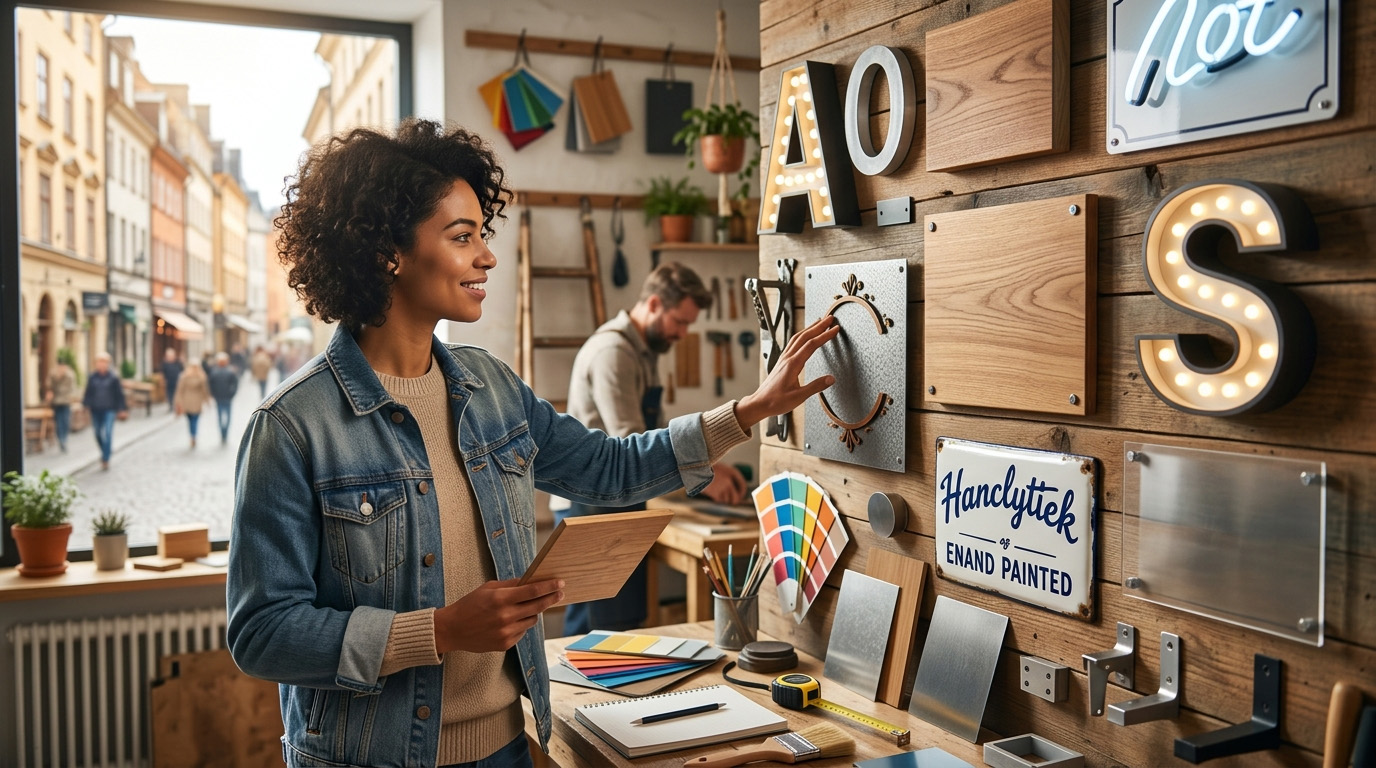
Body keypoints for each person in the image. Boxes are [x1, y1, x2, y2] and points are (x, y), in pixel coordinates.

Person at [226, 119, 838, 768]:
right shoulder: (292, 426)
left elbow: (607, 466)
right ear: (389, 253)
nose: (485, 256)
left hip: (508, 747)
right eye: (462, 238)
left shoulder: (491, 388)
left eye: (480, 236)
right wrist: (438, 632)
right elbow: (263, 634)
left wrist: (748, 410)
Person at [555, 262, 748, 637]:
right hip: (595, 505)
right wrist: (700, 474)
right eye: (680, 322)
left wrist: (708, 460)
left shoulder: (643, 351)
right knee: (594, 632)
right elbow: (629, 446)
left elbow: (652, 433)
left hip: (619, 501)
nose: (683, 333)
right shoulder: (614, 352)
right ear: (655, 304)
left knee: (623, 625)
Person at [82, 352, 127, 470]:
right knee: (97, 433)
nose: (101, 364)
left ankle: (105, 458)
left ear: (108, 364)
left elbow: (119, 395)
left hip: (109, 409)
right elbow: (88, 393)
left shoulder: (113, 378)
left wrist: (122, 409)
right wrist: (85, 405)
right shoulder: (92, 377)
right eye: (99, 362)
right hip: (96, 409)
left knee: (107, 433)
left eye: (104, 362)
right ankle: (105, 450)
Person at [43, 352, 77, 452]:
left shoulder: (70, 375)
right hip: (56, 402)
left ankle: (64, 439)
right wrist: (56, 378)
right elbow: (49, 385)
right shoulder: (53, 374)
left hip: (66, 401)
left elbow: (72, 388)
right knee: (58, 422)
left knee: (65, 421)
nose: (61, 368)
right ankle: (61, 440)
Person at [174, 359, 210, 448]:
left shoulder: (184, 376)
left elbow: (180, 390)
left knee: (190, 420)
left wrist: (178, 401)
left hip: (186, 401)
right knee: (195, 420)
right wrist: (207, 400)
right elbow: (204, 390)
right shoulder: (201, 376)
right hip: (197, 401)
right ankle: (193, 435)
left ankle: (192, 435)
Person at [208, 352, 239, 445]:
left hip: (223, 398)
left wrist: (214, 394)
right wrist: (231, 394)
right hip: (223, 398)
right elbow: (211, 385)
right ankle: (224, 433)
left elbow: (210, 386)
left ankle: (223, 433)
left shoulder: (218, 372)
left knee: (222, 417)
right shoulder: (223, 372)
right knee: (225, 417)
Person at [160, 348, 184, 413]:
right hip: (169, 381)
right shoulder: (165, 363)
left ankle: (177, 406)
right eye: (169, 356)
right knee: (170, 394)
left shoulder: (178, 362)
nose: (170, 357)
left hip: (177, 381)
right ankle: (171, 406)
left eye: (171, 355)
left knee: (177, 394)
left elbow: (182, 370)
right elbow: (162, 372)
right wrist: (163, 380)